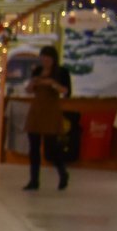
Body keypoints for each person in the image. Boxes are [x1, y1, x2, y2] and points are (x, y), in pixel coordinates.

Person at [21, 46, 73, 191]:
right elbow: (29, 90)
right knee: (34, 147)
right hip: (37, 110)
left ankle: (62, 172)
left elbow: (66, 91)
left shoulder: (62, 72)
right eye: (43, 58)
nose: (45, 61)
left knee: (51, 147)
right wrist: (33, 84)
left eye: (48, 58)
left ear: (54, 59)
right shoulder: (37, 71)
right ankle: (34, 180)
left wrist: (52, 84)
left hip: (51, 110)